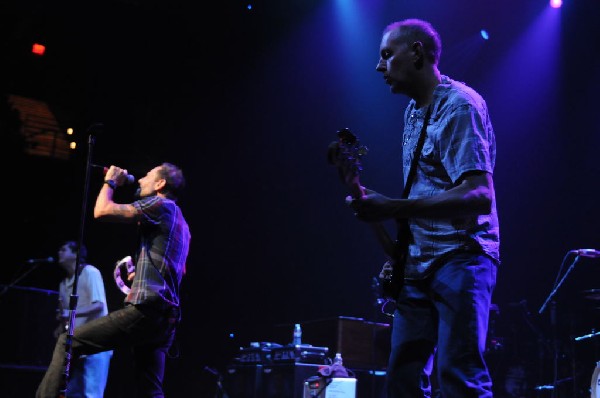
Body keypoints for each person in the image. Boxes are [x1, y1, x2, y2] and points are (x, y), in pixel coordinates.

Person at [346, 19, 500, 397]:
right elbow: (423, 198)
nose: (379, 67)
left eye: (386, 55)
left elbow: (480, 196)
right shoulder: (413, 112)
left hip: (462, 257)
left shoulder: (460, 105)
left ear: (416, 52)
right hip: (418, 264)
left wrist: (393, 208)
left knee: (458, 377)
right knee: (403, 379)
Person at [36, 162, 191, 398]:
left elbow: (102, 211)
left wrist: (110, 181)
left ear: (160, 184)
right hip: (166, 319)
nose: (140, 180)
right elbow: (177, 271)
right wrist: (139, 275)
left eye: (147, 176)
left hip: (146, 310)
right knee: (151, 389)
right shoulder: (182, 224)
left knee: (69, 341)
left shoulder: (160, 204)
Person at [53, 240, 112, 398]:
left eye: (63, 249)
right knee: (71, 393)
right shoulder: (64, 283)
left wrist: (69, 314)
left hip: (97, 343)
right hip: (77, 346)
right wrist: (62, 326)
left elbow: (99, 305)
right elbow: (68, 315)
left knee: (91, 393)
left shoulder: (90, 272)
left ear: (76, 254)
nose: (59, 252)